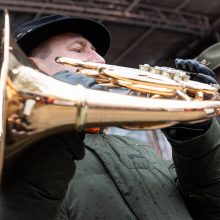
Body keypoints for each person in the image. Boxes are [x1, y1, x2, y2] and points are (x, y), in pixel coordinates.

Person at [13, 15, 220, 220]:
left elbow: (209, 208)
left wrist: (197, 137)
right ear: (34, 69)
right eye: (77, 50)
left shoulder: (140, 150)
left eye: (95, 51)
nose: (100, 60)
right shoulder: (17, 158)